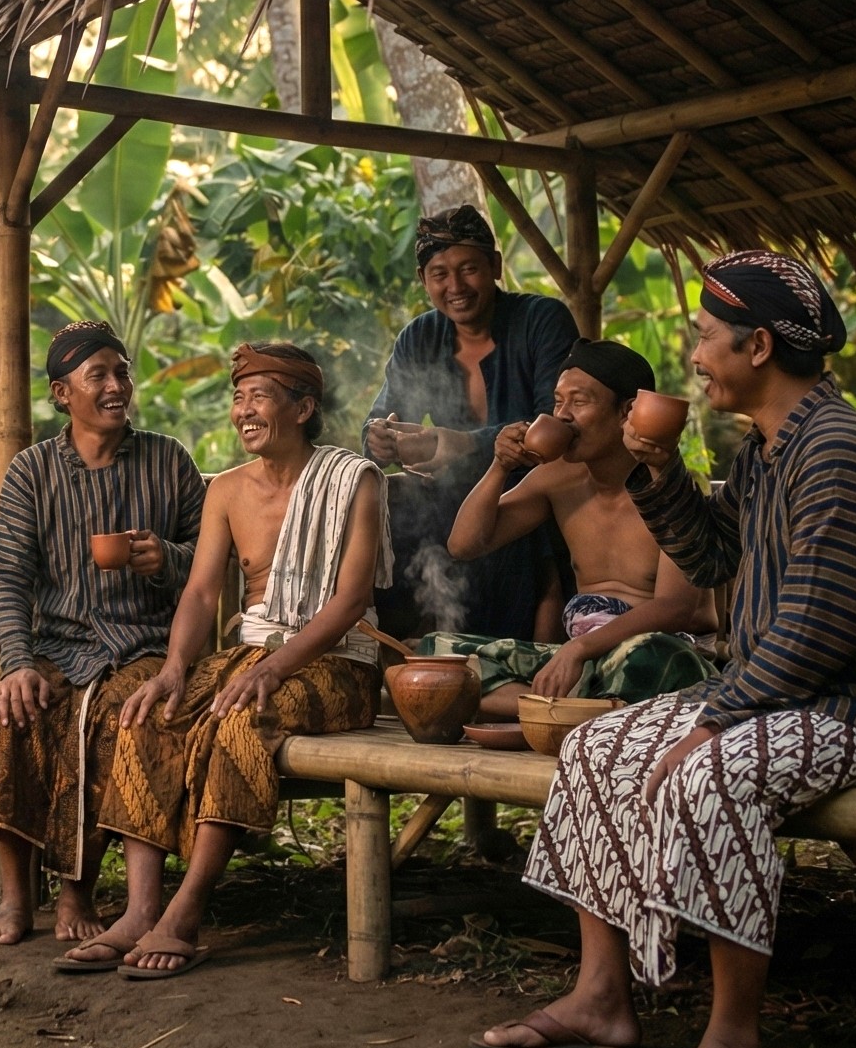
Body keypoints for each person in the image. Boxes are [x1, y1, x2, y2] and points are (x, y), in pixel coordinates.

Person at [474, 251, 856, 1048]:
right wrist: (660, 474)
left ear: (758, 347)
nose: (692, 355)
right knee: (597, 747)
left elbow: (821, 631)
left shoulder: (837, 452)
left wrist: (715, 718)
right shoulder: (768, 449)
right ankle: (601, 999)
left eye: (707, 336)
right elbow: (718, 557)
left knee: (711, 770)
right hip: (793, 694)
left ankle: (734, 1047)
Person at [59, 342, 386, 979]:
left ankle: (185, 912)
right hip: (252, 652)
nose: (244, 411)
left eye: (259, 396)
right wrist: (174, 668)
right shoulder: (228, 490)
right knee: (149, 713)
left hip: (339, 662)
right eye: (239, 398)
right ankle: (140, 910)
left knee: (243, 722)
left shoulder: (355, 481)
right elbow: (201, 592)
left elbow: (351, 602)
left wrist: (275, 667)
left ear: (303, 408)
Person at [0, 320, 206, 948]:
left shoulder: (169, 460)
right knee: (14, 713)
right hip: (57, 645)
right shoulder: (32, 472)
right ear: (62, 393)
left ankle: (78, 893)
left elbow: (210, 561)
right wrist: (18, 663)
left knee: (114, 716)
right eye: (97, 375)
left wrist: (167, 560)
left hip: (143, 645)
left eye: (121, 372)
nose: (115, 387)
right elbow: (7, 577)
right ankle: (16, 899)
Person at [428, 339, 716, 719]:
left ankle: (553, 711)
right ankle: (571, 711)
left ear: (627, 412)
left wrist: (578, 649)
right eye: (557, 402)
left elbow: (675, 608)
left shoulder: (669, 488)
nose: (562, 416)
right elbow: (463, 544)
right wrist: (500, 466)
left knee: (655, 656)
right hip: (581, 664)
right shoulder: (557, 478)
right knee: (437, 652)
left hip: (654, 654)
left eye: (578, 402)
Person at [364, 205, 580, 641]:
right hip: (453, 500)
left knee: (525, 523)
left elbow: (558, 426)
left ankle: (530, 654)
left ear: (495, 266)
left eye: (469, 269)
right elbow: (381, 420)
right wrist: (380, 439)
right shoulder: (418, 337)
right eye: (440, 274)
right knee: (389, 505)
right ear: (423, 280)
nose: (456, 287)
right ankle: (402, 646)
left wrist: (462, 444)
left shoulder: (541, 319)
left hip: (535, 490)